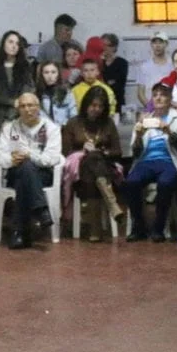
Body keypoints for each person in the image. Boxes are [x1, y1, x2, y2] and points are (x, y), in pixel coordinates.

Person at [124, 83, 177, 243]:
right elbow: (134, 152)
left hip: (170, 160)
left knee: (166, 183)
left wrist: (169, 131)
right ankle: (139, 227)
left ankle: (159, 227)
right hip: (146, 161)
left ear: (170, 99)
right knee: (131, 182)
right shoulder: (145, 119)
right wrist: (139, 134)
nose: (158, 97)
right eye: (155, 94)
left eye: (163, 94)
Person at [0, 93, 63, 249]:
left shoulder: (51, 129)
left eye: (31, 105)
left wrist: (29, 155)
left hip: (43, 173)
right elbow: (0, 156)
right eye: (23, 106)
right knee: (24, 170)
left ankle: (19, 232)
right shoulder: (9, 128)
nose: (27, 109)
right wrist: (12, 160)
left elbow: (52, 158)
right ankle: (41, 209)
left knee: (25, 172)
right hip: (15, 170)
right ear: (18, 109)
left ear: (38, 107)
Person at [61, 89, 126, 241]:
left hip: (105, 167)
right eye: (93, 105)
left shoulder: (108, 123)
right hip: (78, 170)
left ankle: (95, 230)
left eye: (100, 106)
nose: (96, 109)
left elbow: (117, 151)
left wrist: (101, 152)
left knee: (94, 161)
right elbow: (65, 152)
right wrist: (83, 150)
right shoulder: (73, 123)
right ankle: (111, 203)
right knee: (91, 161)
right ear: (86, 105)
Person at [0, 30, 35, 153]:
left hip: (20, 114)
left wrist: (18, 105)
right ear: (3, 44)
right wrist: (11, 102)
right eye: (10, 42)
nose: (14, 45)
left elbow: (29, 89)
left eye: (17, 43)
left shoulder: (25, 67)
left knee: (19, 154)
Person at [136, 31, 172, 107]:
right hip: (151, 110)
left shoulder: (173, 65)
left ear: (166, 44)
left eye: (160, 42)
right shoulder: (144, 66)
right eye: (154, 43)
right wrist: (150, 107)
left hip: (170, 108)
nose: (157, 46)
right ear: (151, 45)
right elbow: (140, 93)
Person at [36, 60, 76, 125]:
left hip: (64, 130)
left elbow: (73, 115)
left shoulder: (67, 93)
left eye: (53, 72)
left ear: (58, 74)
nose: (50, 76)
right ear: (42, 75)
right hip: (45, 131)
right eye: (46, 72)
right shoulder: (37, 94)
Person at [100, 33, 129, 108]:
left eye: (107, 45)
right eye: (102, 45)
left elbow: (119, 84)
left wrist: (105, 82)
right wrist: (109, 82)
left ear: (114, 47)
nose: (104, 48)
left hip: (117, 102)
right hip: (100, 102)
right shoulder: (98, 62)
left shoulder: (122, 63)